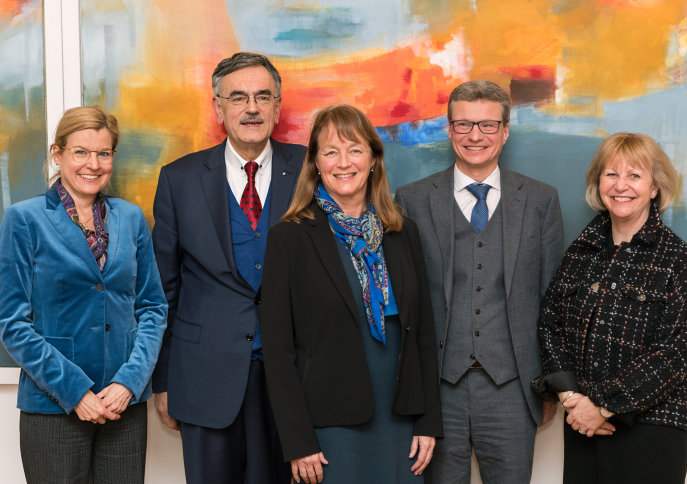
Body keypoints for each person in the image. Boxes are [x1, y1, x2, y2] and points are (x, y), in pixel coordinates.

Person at [260, 104, 442, 484]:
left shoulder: (402, 232)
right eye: (330, 151)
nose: (344, 162)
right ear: (316, 164)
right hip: (328, 426)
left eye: (355, 149)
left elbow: (423, 334)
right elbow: (278, 353)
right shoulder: (289, 238)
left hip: (401, 420)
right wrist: (298, 440)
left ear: (374, 159)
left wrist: (428, 422)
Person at [394, 80, 564, 483]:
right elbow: (403, 303)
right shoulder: (411, 199)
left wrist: (552, 385)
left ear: (505, 130)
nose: (475, 136)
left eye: (487, 125)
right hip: (438, 390)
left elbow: (553, 301)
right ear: (449, 129)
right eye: (464, 125)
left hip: (513, 387)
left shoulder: (541, 201)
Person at [151, 52, 305, 483]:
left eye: (262, 96)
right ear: (218, 107)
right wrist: (163, 380)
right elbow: (163, 289)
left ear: (277, 105)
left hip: (293, 379)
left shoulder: (312, 170)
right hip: (203, 377)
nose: (251, 108)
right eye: (238, 97)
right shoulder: (178, 179)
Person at [0, 105, 167, 483]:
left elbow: (153, 308)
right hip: (53, 408)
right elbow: (12, 324)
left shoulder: (131, 218)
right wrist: (75, 391)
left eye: (103, 153)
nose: (93, 164)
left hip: (123, 406)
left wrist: (130, 382)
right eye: (80, 152)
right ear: (58, 155)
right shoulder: (24, 220)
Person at [534, 132, 687, 484]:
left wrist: (605, 406)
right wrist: (570, 397)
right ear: (599, 182)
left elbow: (673, 352)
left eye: (634, 176)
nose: (620, 186)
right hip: (583, 421)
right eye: (611, 174)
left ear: (654, 187)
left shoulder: (680, 261)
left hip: (654, 426)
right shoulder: (582, 251)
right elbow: (551, 323)